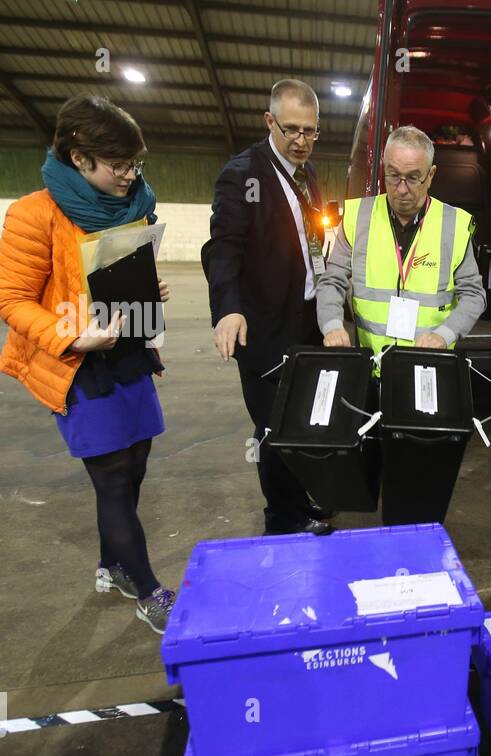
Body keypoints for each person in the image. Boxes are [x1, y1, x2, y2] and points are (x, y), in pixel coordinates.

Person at [0, 95, 175, 635]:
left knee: (134, 467)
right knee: (113, 480)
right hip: (77, 363)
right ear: (79, 158)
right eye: (118, 166)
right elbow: (11, 300)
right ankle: (147, 590)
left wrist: (148, 289)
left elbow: (116, 275)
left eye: (135, 165)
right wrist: (72, 334)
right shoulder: (33, 214)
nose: (129, 175)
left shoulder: (135, 203)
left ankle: (112, 566)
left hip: (128, 353)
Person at [202, 78, 333, 536]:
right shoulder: (242, 175)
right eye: (291, 130)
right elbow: (223, 248)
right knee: (275, 431)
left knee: (306, 422)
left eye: (310, 132)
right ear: (269, 121)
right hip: (263, 327)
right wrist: (228, 309)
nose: (301, 141)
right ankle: (282, 520)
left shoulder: (308, 174)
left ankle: (301, 501)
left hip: (306, 319)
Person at [316, 125, 485, 359]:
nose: (401, 189)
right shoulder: (359, 217)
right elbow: (332, 280)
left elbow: (474, 294)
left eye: (413, 178)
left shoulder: (453, 224)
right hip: (371, 361)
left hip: (429, 363)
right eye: (394, 175)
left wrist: (444, 335)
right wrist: (332, 325)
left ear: (431, 175)